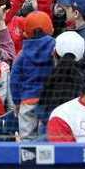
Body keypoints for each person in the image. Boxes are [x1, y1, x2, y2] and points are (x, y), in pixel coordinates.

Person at [10, 11, 56, 139]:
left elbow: (14, 81)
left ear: (25, 34)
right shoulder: (55, 51)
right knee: (47, 137)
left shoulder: (22, 55)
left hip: (28, 100)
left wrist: (17, 101)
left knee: (27, 139)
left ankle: (28, 158)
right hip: (49, 101)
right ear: (52, 30)